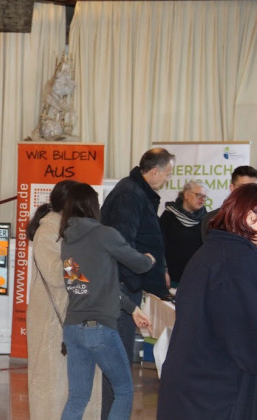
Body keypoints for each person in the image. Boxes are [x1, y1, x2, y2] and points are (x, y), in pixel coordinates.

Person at [158, 183, 257, 419]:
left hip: (193, 386)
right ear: (251, 218)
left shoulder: (215, 250)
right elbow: (246, 340)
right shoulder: (238, 262)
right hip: (213, 393)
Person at [59, 183, 153, 420]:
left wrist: (131, 308)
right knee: (124, 390)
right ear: (93, 206)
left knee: (77, 398)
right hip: (99, 328)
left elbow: (80, 285)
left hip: (73, 328)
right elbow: (139, 264)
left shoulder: (67, 241)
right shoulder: (104, 234)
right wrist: (150, 259)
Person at [100, 147, 172, 418]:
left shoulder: (137, 192)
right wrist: (137, 276)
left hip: (126, 286)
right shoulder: (130, 194)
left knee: (119, 365)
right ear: (154, 172)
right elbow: (122, 243)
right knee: (118, 367)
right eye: (167, 174)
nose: (167, 179)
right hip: (121, 288)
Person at [26, 180, 102, 420]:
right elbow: (57, 274)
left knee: (81, 383)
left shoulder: (74, 231)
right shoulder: (47, 232)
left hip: (77, 316)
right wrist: (85, 265)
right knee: (51, 384)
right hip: (52, 320)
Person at [158, 180, 207, 288]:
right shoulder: (168, 217)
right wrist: (163, 271)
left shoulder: (206, 219)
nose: (202, 199)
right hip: (172, 278)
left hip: (197, 278)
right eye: (198, 195)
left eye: (204, 196)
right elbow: (160, 246)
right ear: (186, 195)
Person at [200, 165, 257, 240]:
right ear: (232, 188)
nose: (247, 193)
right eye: (242, 188)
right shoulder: (213, 219)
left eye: (252, 188)